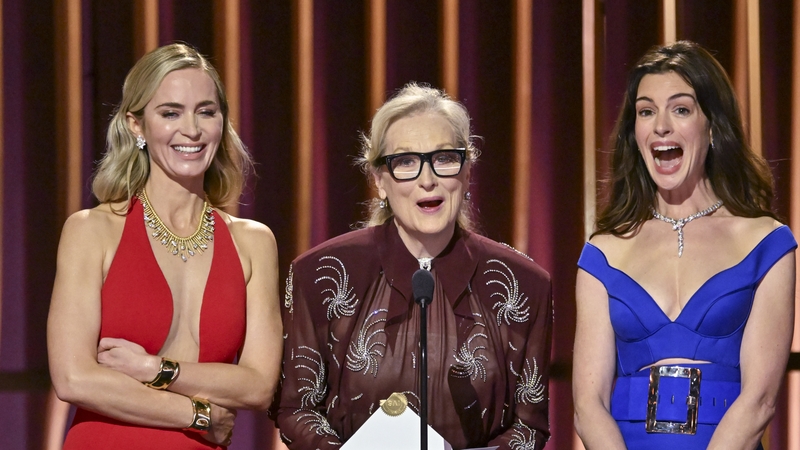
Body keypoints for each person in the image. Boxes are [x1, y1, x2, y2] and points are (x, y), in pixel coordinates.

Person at [273, 83, 553, 449]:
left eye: (444, 159)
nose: (427, 179)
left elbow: (530, 426)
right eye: (405, 162)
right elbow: (296, 409)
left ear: (467, 172)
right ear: (379, 181)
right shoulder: (321, 274)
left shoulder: (522, 285)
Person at [47, 43, 282, 449]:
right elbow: (73, 378)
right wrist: (197, 413)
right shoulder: (92, 231)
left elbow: (259, 386)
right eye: (170, 112)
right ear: (136, 125)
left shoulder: (254, 242)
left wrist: (153, 368)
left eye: (206, 111)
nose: (191, 129)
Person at [573, 40, 796, 450]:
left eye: (680, 109)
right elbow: (588, 405)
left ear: (712, 126)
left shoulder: (766, 243)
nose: (661, 126)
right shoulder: (602, 252)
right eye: (645, 111)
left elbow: (760, 400)